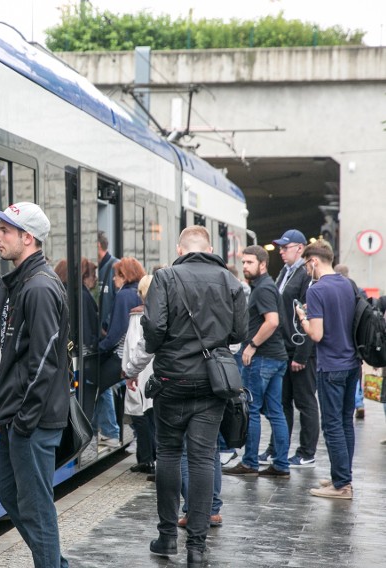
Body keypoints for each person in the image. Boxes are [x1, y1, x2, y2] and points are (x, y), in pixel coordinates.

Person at [141, 226, 246, 566]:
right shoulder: (231, 281)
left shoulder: (166, 277)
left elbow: (155, 328)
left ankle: (167, 536)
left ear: (180, 248)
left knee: (169, 454)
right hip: (213, 383)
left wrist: (165, 346)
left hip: (172, 379)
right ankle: (197, 548)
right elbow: (240, 332)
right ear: (211, 248)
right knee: (202, 457)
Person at [0, 202, 70, 568]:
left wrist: (24, 419)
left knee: (36, 508)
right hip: (18, 416)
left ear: (28, 238)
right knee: (11, 495)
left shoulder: (38, 288)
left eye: (5, 230)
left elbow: (45, 361)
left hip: (31, 420)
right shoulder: (22, 284)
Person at [295, 241, 360, 499]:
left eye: (305, 265)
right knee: (346, 423)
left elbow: (317, 334)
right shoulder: (348, 284)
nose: (306, 271)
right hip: (352, 363)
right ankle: (342, 476)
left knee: (332, 425)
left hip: (331, 365)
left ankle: (341, 485)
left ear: (313, 261)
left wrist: (303, 317)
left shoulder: (317, 290)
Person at [222, 245, 290, 478]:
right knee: (276, 411)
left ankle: (250, 462)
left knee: (251, 409)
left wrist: (252, 345)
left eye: (249, 262)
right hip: (277, 357)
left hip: (263, 359)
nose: (244, 267)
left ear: (262, 264)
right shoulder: (266, 286)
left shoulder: (263, 289)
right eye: (243, 263)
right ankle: (281, 465)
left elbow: (271, 321)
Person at [261, 229, 319, 468]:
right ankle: (277, 448)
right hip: (284, 348)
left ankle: (307, 451)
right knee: (280, 402)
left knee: (305, 402)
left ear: (300, 248)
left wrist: (303, 354)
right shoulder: (285, 272)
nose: (282, 252)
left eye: (286, 248)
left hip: (300, 350)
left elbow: (312, 316)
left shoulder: (307, 276)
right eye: (281, 248)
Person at [94, 258, 146, 448]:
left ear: (124, 276)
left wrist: (100, 348)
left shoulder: (124, 295)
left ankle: (108, 432)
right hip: (133, 355)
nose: (114, 280)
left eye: (116, 276)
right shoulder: (137, 292)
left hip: (121, 355)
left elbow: (117, 331)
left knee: (95, 383)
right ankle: (112, 432)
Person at [122, 274, 156, 477]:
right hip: (156, 371)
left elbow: (134, 346)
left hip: (142, 372)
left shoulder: (138, 317)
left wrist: (129, 370)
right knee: (152, 416)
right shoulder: (163, 313)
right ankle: (150, 459)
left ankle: (148, 460)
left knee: (142, 415)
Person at [335, 264, 366, 419]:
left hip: (339, 348)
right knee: (356, 379)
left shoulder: (334, 290)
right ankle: (359, 403)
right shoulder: (358, 291)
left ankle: (353, 404)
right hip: (356, 346)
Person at [97, 231, 119, 336]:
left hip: (108, 333)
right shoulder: (93, 268)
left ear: (98, 245)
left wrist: (107, 325)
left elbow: (118, 302)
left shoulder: (116, 266)